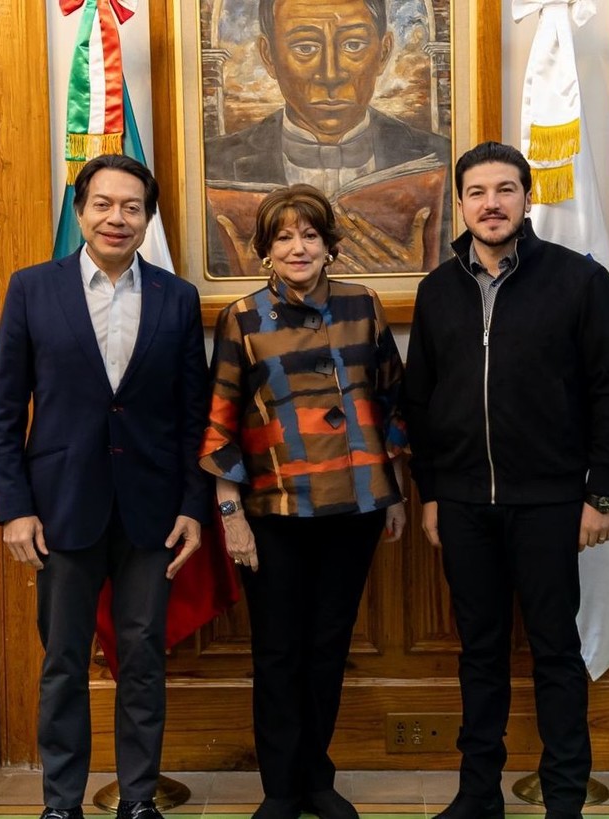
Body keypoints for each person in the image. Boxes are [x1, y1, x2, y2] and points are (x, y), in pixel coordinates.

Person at [401, 142, 609, 819]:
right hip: (465, 504)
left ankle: (564, 797)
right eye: (478, 191)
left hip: (552, 502)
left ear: (527, 199)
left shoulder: (578, 280)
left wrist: (601, 492)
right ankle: (478, 794)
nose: (492, 203)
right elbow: (421, 401)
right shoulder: (435, 290)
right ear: (462, 202)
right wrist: (434, 492)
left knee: (556, 650)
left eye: (506, 189)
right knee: (479, 653)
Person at [0, 154, 209, 819]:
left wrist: (194, 507)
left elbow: (195, 416)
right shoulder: (32, 289)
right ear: (80, 211)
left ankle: (138, 797)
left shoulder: (178, 297)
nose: (118, 218)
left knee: (143, 658)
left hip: (152, 511)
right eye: (104, 204)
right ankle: (61, 802)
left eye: (132, 207)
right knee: (62, 663)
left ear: (148, 218)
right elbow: (4, 411)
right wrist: (16, 508)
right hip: (60, 509)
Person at [200, 184, 407, 819]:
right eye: (284, 237)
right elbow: (221, 421)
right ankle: (280, 789)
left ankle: (318, 777)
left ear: (330, 247)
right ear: (265, 251)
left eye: (310, 235)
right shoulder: (244, 317)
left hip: (359, 507)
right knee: (279, 651)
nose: (298, 247)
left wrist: (396, 494)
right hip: (275, 513)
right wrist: (230, 516)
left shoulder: (363, 304)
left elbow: (392, 403)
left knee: (329, 647)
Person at [203, 0, 452, 276]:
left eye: (353, 45)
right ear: (269, 56)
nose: (331, 75)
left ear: (383, 52)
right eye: (305, 48)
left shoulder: (441, 157)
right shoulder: (213, 163)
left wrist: (414, 278)